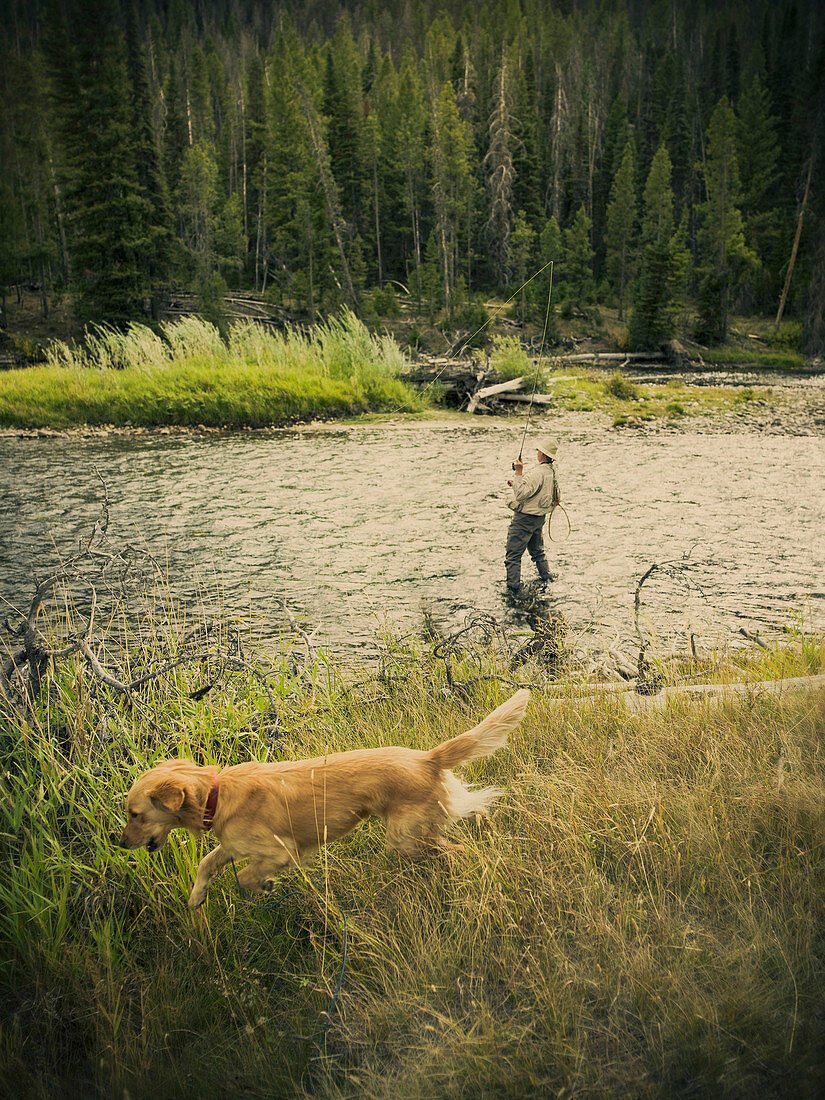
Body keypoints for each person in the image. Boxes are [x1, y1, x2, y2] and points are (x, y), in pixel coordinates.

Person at [505, 436, 559, 594]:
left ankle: (513, 590)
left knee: (513, 556)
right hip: (539, 519)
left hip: (524, 520)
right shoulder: (552, 472)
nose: (537, 453)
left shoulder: (537, 472)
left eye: (538, 450)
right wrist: (516, 483)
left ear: (542, 454)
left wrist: (519, 472)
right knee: (537, 552)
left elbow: (521, 495)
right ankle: (547, 578)